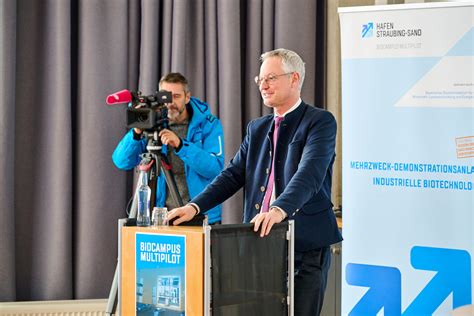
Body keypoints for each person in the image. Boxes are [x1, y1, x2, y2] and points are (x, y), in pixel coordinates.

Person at [168, 49, 342, 315]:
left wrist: (277, 210)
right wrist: (194, 207)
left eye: (271, 77)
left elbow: (310, 174)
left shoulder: (319, 122)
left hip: (306, 245)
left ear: (294, 79)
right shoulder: (257, 127)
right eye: (260, 79)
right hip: (260, 243)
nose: (263, 85)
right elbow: (233, 174)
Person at [112, 72, 224, 224]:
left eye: (176, 96)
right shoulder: (154, 124)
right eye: (166, 97)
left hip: (199, 215)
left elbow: (214, 169)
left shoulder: (208, 124)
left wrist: (180, 145)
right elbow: (121, 161)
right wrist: (137, 133)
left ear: (187, 97)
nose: (170, 102)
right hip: (161, 216)